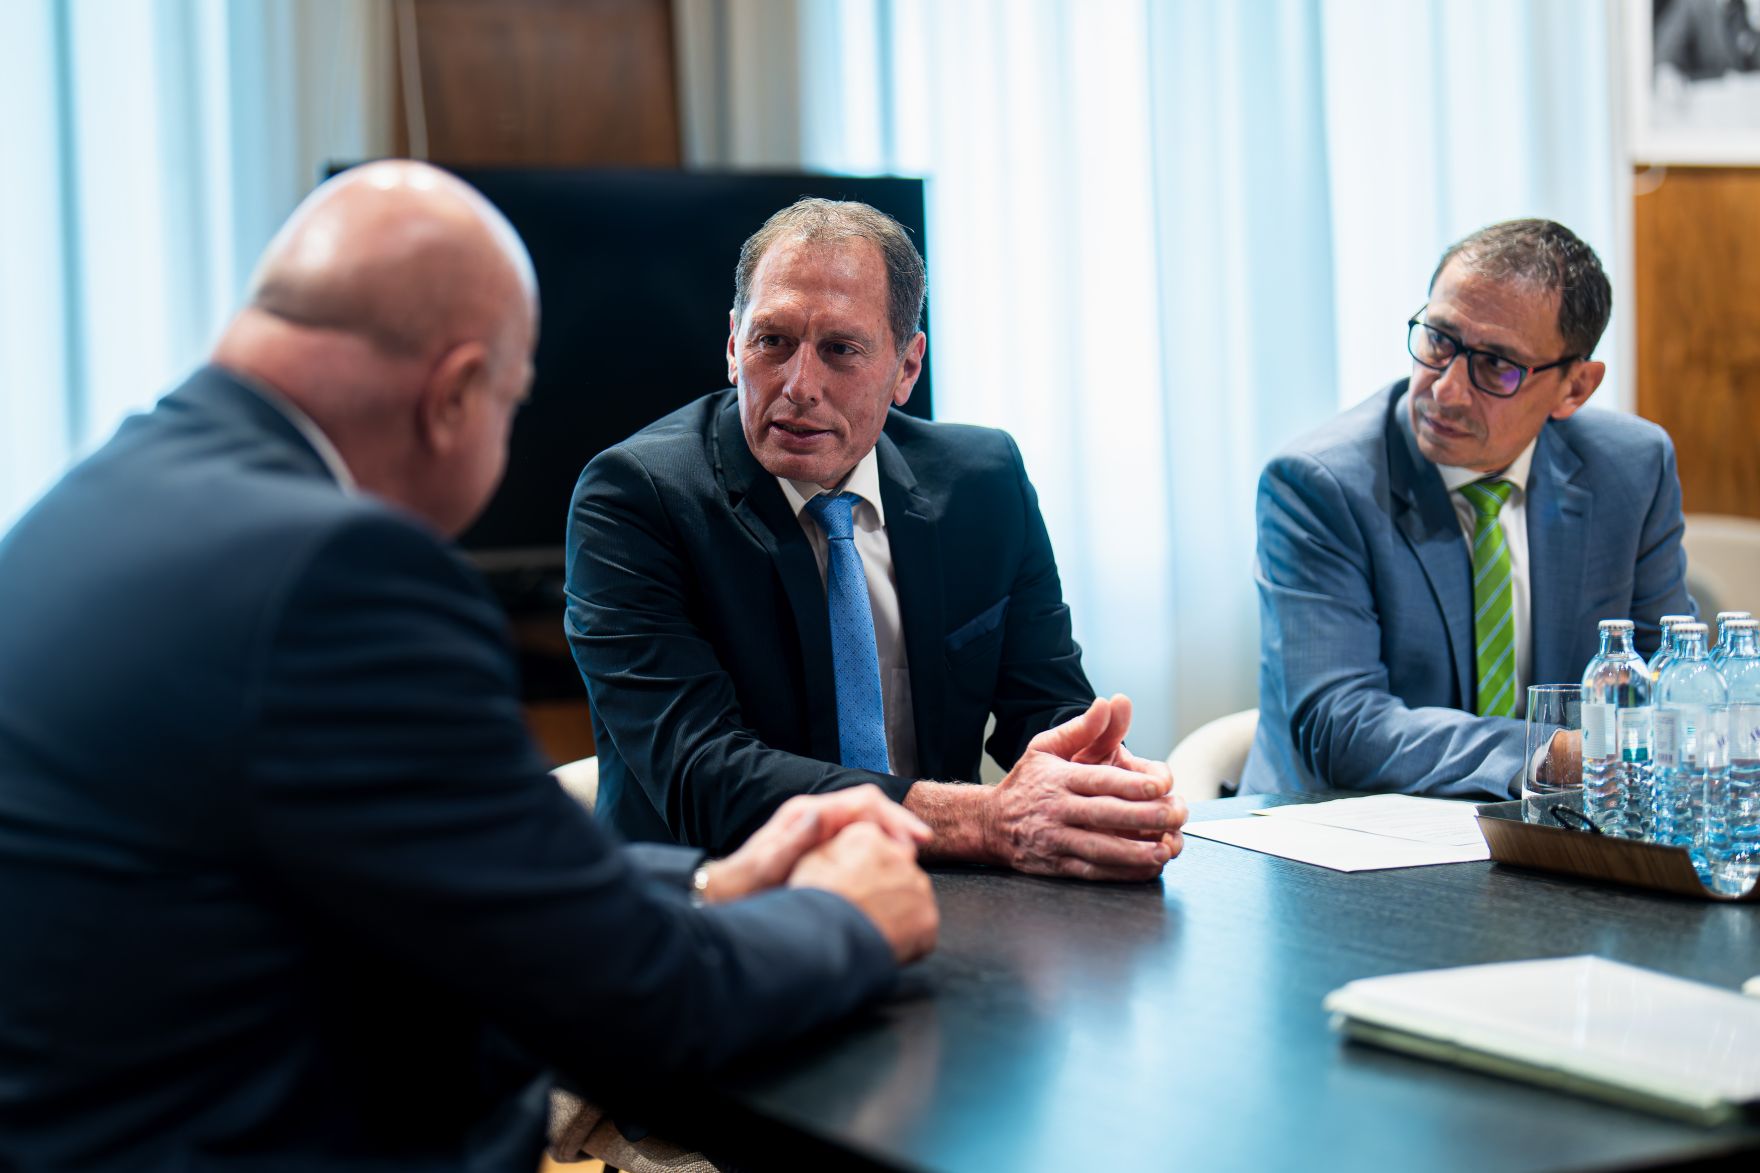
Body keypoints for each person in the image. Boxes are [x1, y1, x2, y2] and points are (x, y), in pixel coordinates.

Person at [0, 161, 942, 1172]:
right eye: (510, 405)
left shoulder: (79, 509)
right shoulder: (340, 573)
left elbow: (439, 874)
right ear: (454, 396)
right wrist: (844, 916)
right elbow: (635, 1001)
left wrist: (705, 883)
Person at [566, 198, 1185, 880]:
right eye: (772, 340)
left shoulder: (983, 482)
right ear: (733, 344)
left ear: (907, 368)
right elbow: (704, 775)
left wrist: (1097, 787)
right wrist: (982, 818)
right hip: (716, 913)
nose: (800, 386)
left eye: (841, 350)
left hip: (944, 893)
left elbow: (1044, 705)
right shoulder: (635, 499)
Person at [1243, 218, 1694, 799]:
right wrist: (1549, 755)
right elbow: (1342, 725)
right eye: (1438, 340)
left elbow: (1666, 680)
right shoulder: (1320, 484)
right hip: (1342, 844)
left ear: (1575, 388)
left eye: (1496, 365)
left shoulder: (1631, 469)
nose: (1445, 390)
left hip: (1556, 843)